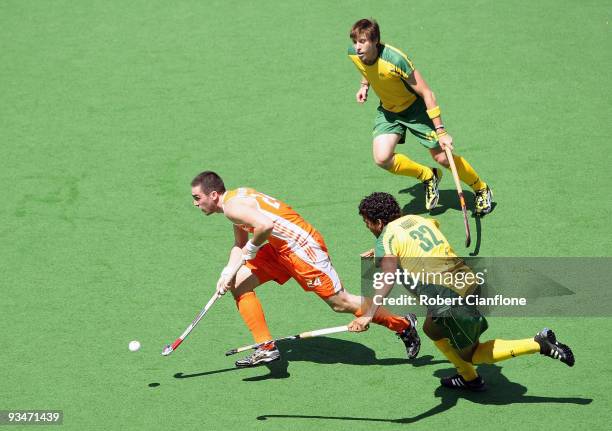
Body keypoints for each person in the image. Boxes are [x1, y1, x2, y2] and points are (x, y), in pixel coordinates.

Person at [190, 171, 420, 367]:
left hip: (303, 250)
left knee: (341, 303)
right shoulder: (234, 200)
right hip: (280, 249)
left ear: (213, 195)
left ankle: (403, 324)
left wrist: (251, 249)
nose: (195, 203)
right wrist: (227, 272)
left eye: (197, 198)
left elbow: (264, 226)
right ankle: (266, 347)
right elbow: (240, 244)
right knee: (238, 284)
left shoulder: (232, 207)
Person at [348, 192, 574, 391]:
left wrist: (369, 314)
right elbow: (424, 233)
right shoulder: (417, 219)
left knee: (472, 354)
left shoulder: (387, 238)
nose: (367, 227)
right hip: (470, 282)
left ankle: (539, 343)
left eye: (367, 222)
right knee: (431, 329)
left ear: (378, 222)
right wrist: (385, 248)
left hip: (450, 301)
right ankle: (468, 379)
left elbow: (387, 275)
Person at [348, 18, 493, 216]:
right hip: (389, 112)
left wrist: (441, 131)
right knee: (382, 158)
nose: (357, 47)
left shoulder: (396, 60)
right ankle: (428, 176)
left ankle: (481, 188)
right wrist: (365, 86)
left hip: (415, 110)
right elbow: (366, 68)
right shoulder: (355, 55)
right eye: (355, 41)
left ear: (376, 41)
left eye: (362, 42)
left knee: (442, 156)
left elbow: (427, 93)